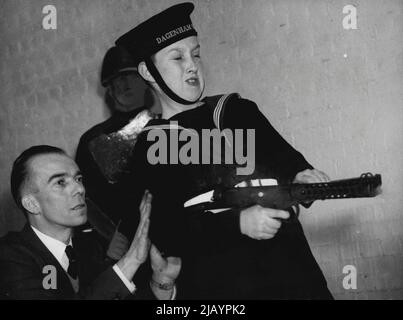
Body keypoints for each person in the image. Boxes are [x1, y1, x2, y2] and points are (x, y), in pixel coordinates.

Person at [114, 2, 334, 299]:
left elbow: (287, 162)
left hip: (291, 273)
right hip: (224, 285)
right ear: (147, 71)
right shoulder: (152, 144)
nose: (192, 65)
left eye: (196, 54)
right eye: (177, 57)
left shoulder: (238, 111)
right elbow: (168, 227)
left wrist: (303, 177)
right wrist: (238, 223)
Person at [0, 145, 180, 300]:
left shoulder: (89, 247)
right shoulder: (9, 257)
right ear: (32, 204)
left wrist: (162, 280)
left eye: (78, 179)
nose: (79, 189)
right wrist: (131, 260)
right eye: (60, 182)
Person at [75, 46, 160, 240]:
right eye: (119, 79)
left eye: (132, 76)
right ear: (110, 89)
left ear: (146, 82)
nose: (126, 84)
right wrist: (110, 237)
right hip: (124, 241)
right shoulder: (93, 140)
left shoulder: (166, 127)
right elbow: (87, 201)